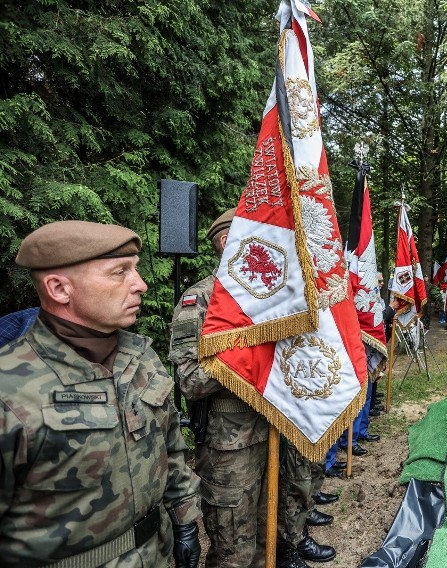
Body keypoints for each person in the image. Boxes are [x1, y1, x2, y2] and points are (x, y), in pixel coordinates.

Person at [0, 220, 202, 567]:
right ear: (59, 289)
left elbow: (171, 447)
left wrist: (185, 521)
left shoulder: (141, 357)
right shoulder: (11, 387)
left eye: (136, 270)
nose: (141, 284)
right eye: (119, 272)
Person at [169, 209, 334, 568]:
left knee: (267, 541)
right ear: (228, 242)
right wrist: (248, 349)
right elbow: (189, 380)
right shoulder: (199, 301)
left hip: (275, 432)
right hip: (231, 447)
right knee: (234, 552)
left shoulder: (270, 300)